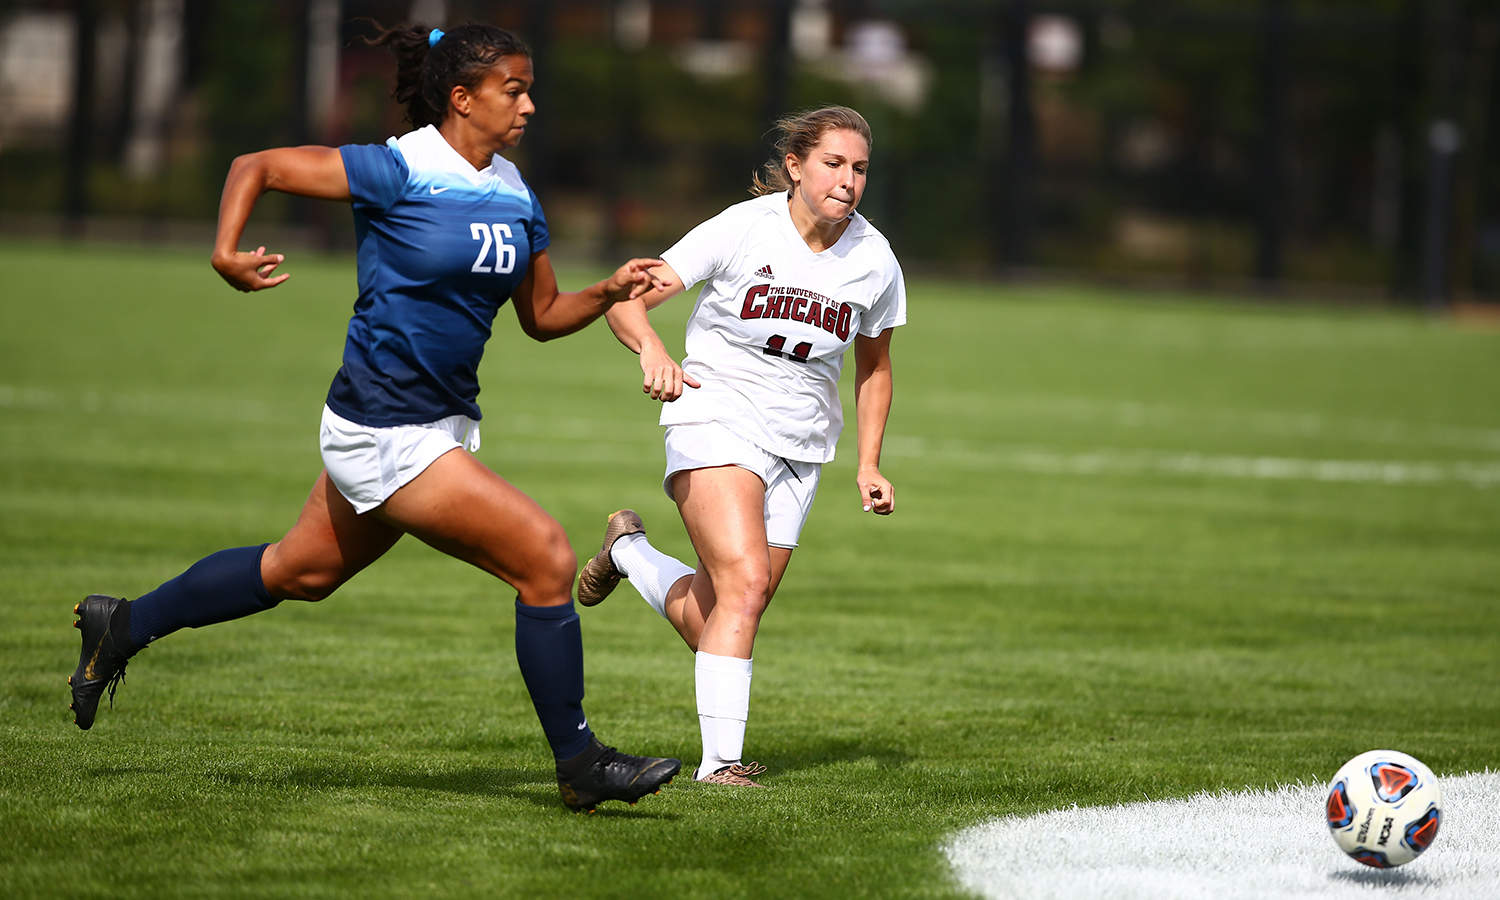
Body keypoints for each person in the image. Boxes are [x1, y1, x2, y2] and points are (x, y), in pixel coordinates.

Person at [67, 22, 682, 813]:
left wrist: (605, 293)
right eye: (514, 89)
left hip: (439, 424)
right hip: (383, 427)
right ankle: (580, 762)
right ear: (462, 98)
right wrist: (226, 250)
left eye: (530, 88)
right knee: (546, 556)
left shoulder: (515, 191)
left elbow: (541, 315)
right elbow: (254, 166)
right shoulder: (399, 166)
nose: (529, 104)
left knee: (300, 571)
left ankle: (122, 626)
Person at [575, 106, 905, 787]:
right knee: (746, 585)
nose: (849, 180)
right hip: (713, 414)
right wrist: (653, 350)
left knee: (724, 618)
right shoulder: (741, 228)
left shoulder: (875, 259)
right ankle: (721, 766)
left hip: (802, 442)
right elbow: (622, 298)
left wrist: (869, 461)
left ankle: (628, 551)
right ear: (795, 166)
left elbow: (875, 366)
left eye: (860, 168)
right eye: (834, 163)